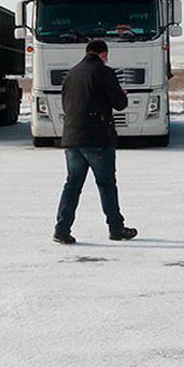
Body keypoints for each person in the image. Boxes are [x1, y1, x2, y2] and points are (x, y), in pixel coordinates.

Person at [53, 39, 137, 244]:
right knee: (106, 184)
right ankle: (116, 228)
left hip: (72, 137)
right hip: (98, 137)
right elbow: (119, 104)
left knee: (72, 185)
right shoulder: (104, 72)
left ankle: (62, 230)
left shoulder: (71, 74)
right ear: (103, 54)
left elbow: (67, 105)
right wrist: (121, 94)